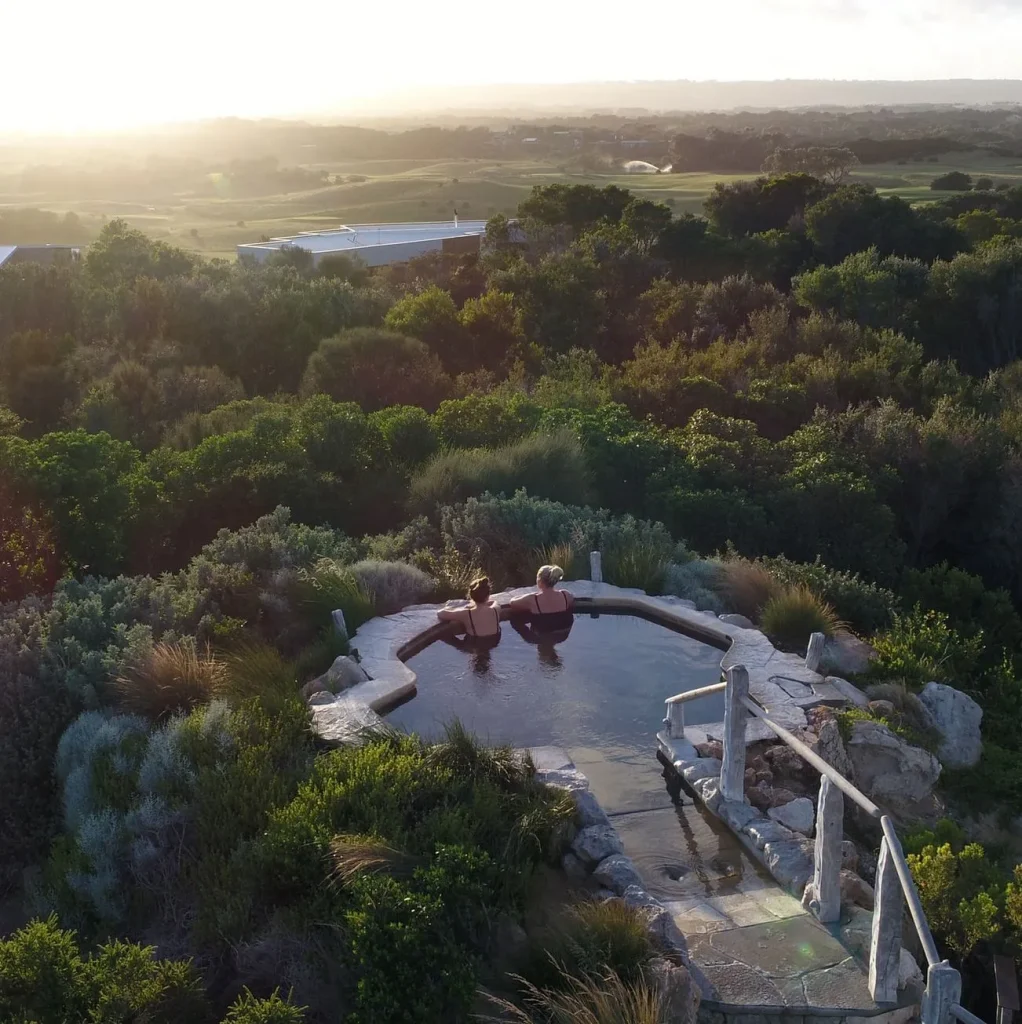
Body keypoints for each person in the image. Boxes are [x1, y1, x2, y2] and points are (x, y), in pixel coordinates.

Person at [507, 564, 575, 637]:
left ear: (539, 581)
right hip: (562, 635)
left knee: (515, 621)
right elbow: (572, 600)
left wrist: (531, 595)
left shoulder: (533, 599)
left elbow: (512, 603)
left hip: (541, 637)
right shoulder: (566, 595)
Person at [436, 575, 501, 644]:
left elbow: (440, 613)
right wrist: (485, 603)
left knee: (448, 637)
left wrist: (457, 609)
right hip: (494, 642)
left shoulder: (467, 613)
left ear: (471, 596)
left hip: (475, 644)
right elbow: (495, 602)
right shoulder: (496, 609)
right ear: (488, 596)